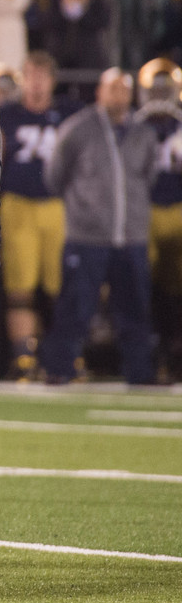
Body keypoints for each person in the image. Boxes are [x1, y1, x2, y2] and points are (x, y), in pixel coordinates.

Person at [39, 67, 159, 385]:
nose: (118, 95)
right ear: (99, 92)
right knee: (75, 307)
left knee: (134, 309)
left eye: (124, 89)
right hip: (87, 235)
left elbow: (149, 176)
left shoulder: (143, 132)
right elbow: (55, 176)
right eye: (112, 88)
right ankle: (59, 369)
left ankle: (140, 373)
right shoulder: (78, 128)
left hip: (131, 235)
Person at [0, 50, 78, 380]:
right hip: (16, 204)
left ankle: (61, 355)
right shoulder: (5, 115)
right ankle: (24, 357)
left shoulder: (70, 115)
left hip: (56, 205)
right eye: (30, 74)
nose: (36, 82)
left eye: (42, 75)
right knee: (20, 288)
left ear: (53, 81)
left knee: (58, 287)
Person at [136, 58, 182, 383]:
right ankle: (152, 357)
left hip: (178, 210)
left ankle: (174, 354)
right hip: (144, 211)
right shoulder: (135, 125)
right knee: (143, 288)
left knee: (175, 290)